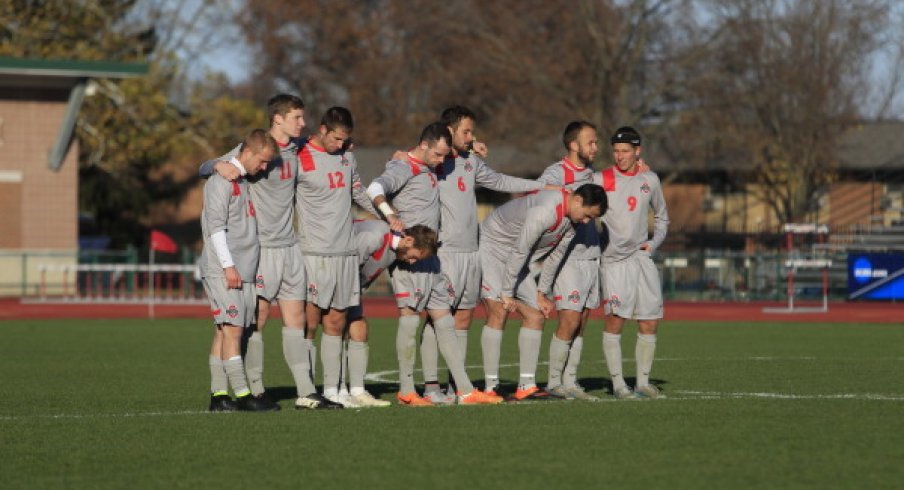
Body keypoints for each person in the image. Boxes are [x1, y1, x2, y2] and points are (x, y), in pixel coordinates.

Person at [200, 94, 341, 410]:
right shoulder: (252, 148)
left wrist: (346, 146)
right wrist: (215, 164)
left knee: (297, 318)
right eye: (297, 117)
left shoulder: (297, 148)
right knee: (249, 323)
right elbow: (206, 168)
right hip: (260, 249)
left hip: (290, 246)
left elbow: (330, 141)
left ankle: (306, 392)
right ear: (278, 118)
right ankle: (251, 391)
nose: (302, 123)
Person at [418, 105, 556, 404]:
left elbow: (499, 181)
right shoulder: (432, 161)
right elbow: (413, 157)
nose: (472, 137)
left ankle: (459, 388)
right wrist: (403, 155)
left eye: (472, 131)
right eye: (466, 131)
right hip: (444, 252)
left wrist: (541, 186)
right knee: (436, 317)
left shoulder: (469, 161)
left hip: (473, 250)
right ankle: (431, 388)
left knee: (464, 318)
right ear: (450, 130)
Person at [366, 122, 502, 406]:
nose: (443, 161)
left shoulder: (428, 165)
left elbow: (451, 143)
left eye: (445, 155)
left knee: (444, 319)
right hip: (410, 256)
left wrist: (472, 143)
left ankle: (464, 391)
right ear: (425, 145)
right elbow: (375, 187)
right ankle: (406, 390)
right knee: (410, 319)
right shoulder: (403, 167)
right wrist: (390, 214)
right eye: (439, 155)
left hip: (431, 257)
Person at [479, 183, 607, 400]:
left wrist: (541, 292)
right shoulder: (545, 212)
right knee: (499, 310)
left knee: (536, 315)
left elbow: (555, 256)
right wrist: (507, 292)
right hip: (492, 246)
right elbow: (521, 249)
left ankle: (526, 386)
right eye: (586, 215)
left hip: (515, 255)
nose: (586, 221)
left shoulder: (572, 220)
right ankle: (491, 387)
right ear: (577, 200)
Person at [295, 107, 378, 407]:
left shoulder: (347, 156)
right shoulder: (298, 155)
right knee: (309, 322)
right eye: (336, 138)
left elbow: (359, 193)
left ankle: (334, 390)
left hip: (346, 251)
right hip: (314, 253)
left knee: (337, 321)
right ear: (323, 130)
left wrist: (389, 213)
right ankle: (307, 389)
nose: (340, 145)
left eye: (346, 140)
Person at [200, 129, 278, 412]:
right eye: (263, 161)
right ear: (247, 152)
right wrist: (228, 265)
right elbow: (215, 227)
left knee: (224, 332)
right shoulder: (221, 180)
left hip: (242, 269)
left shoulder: (242, 179)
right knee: (233, 331)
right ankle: (243, 396)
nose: (264, 167)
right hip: (225, 269)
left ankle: (219, 396)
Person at [597, 126, 669, 399]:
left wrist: (653, 243)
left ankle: (642, 383)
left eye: (625, 151)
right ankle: (618, 385)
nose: (620, 156)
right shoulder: (602, 178)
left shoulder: (650, 180)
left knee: (649, 321)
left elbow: (662, 217)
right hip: (614, 262)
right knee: (615, 321)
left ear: (637, 151)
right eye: (616, 151)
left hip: (641, 259)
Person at [338, 220, 439, 407]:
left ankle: (357, 391)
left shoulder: (396, 250)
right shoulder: (374, 238)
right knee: (326, 331)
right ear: (408, 241)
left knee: (359, 330)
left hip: (353, 288)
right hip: (335, 282)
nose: (412, 262)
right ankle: (335, 390)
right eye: (414, 257)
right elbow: (344, 265)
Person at [535, 121, 602, 401]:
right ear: (573, 145)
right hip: (567, 258)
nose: (595, 147)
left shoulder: (593, 175)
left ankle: (571, 381)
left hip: (591, 256)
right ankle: (554, 382)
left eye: (596, 142)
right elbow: (537, 205)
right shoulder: (554, 174)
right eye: (591, 142)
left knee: (582, 321)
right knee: (569, 319)